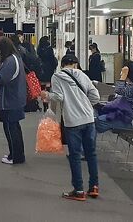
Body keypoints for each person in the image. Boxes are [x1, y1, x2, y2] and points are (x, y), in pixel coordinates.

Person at [41, 54, 100, 201]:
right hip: (89, 118)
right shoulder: (82, 75)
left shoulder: (57, 76)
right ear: (75, 64)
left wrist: (47, 95)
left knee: (74, 156)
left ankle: (79, 190)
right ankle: (94, 187)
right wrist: (85, 106)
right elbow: (95, 96)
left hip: (73, 121)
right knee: (91, 154)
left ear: (62, 65)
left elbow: (59, 97)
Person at [0, 37, 26, 165]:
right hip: (15, 99)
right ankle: (17, 155)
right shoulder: (15, 58)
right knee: (15, 128)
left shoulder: (10, 61)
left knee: (11, 129)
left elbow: (2, 79)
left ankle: (15, 157)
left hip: (10, 100)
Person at [95, 61, 133, 133]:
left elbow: (118, 90)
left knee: (98, 121)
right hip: (125, 116)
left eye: (123, 71)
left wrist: (123, 76)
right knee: (97, 117)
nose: (121, 73)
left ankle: (88, 143)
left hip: (129, 121)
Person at [37, 36, 58, 111]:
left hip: (41, 69)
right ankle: (47, 101)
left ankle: (44, 103)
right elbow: (52, 59)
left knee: (42, 86)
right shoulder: (49, 49)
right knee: (48, 86)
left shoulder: (39, 49)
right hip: (49, 69)